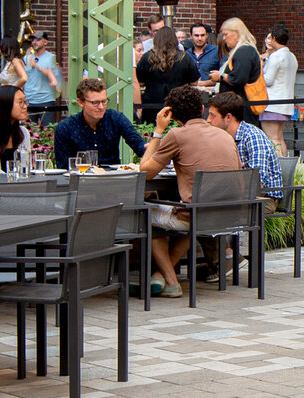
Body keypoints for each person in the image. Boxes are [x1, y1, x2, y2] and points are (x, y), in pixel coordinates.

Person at [137, 83, 244, 295]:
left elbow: (145, 172)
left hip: (198, 215)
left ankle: (171, 280)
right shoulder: (225, 135)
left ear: (173, 116)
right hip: (229, 214)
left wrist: (158, 130)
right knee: (193, 212)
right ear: (202, 109)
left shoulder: (177, 134)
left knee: (144, 212)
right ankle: (161, 275)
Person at [49, 78, 146, 168]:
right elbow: (63, 166)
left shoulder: (116, 118)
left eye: (104, 101)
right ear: (80, 102)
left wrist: (154, 144)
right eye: (95, 103)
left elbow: (139, 146)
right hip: (81, 180)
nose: (101, 107)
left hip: (113, 179)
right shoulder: (66, 127)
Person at [208, 93, 287, 203]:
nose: (208, 120)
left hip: (263, 199)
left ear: (228, 117)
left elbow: (256, 180)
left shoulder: (253, 136)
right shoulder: (222, 137)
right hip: (236, 196)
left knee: (208, 211)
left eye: (213, 115)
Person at [136, 24, 196, 124]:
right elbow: (194, 82)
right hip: (178, 105)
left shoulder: (147, 57)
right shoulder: (185, 58)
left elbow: (140, 82)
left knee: (151, 133)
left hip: (152, 105)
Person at [256, 24, 299, 151]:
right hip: (286, 103)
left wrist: (260, 68)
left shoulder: (275, 56)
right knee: (279, 138)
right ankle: (285, 167)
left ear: (274, 38)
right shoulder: (292, 56)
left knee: (273, 139)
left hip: (272, 103)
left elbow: (268, 80)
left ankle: (279, 168)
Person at [0, 84, 34, 173]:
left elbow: (26, 167)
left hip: (21, 185)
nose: (25, 106)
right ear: (5, 105)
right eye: (20, 102)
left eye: (25, 102)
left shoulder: (23, 133)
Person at [213, 16, 262, 103]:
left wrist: (221, 76)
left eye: (226, 34)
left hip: (242, 107)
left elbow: (238, 79)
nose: (224, 38)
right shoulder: (243, 50)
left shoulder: (244, 51)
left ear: (237, 33)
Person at [22, 34, 65, 128]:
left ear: (45, 42)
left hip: (46, 100)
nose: (34, 42)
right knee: (28, 131)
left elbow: (56, 79)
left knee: (47, 133)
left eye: (38, 39)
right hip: (29, 101)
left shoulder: (51, 58)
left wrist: (37, 66)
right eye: (33, 40)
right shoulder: (27, 58)